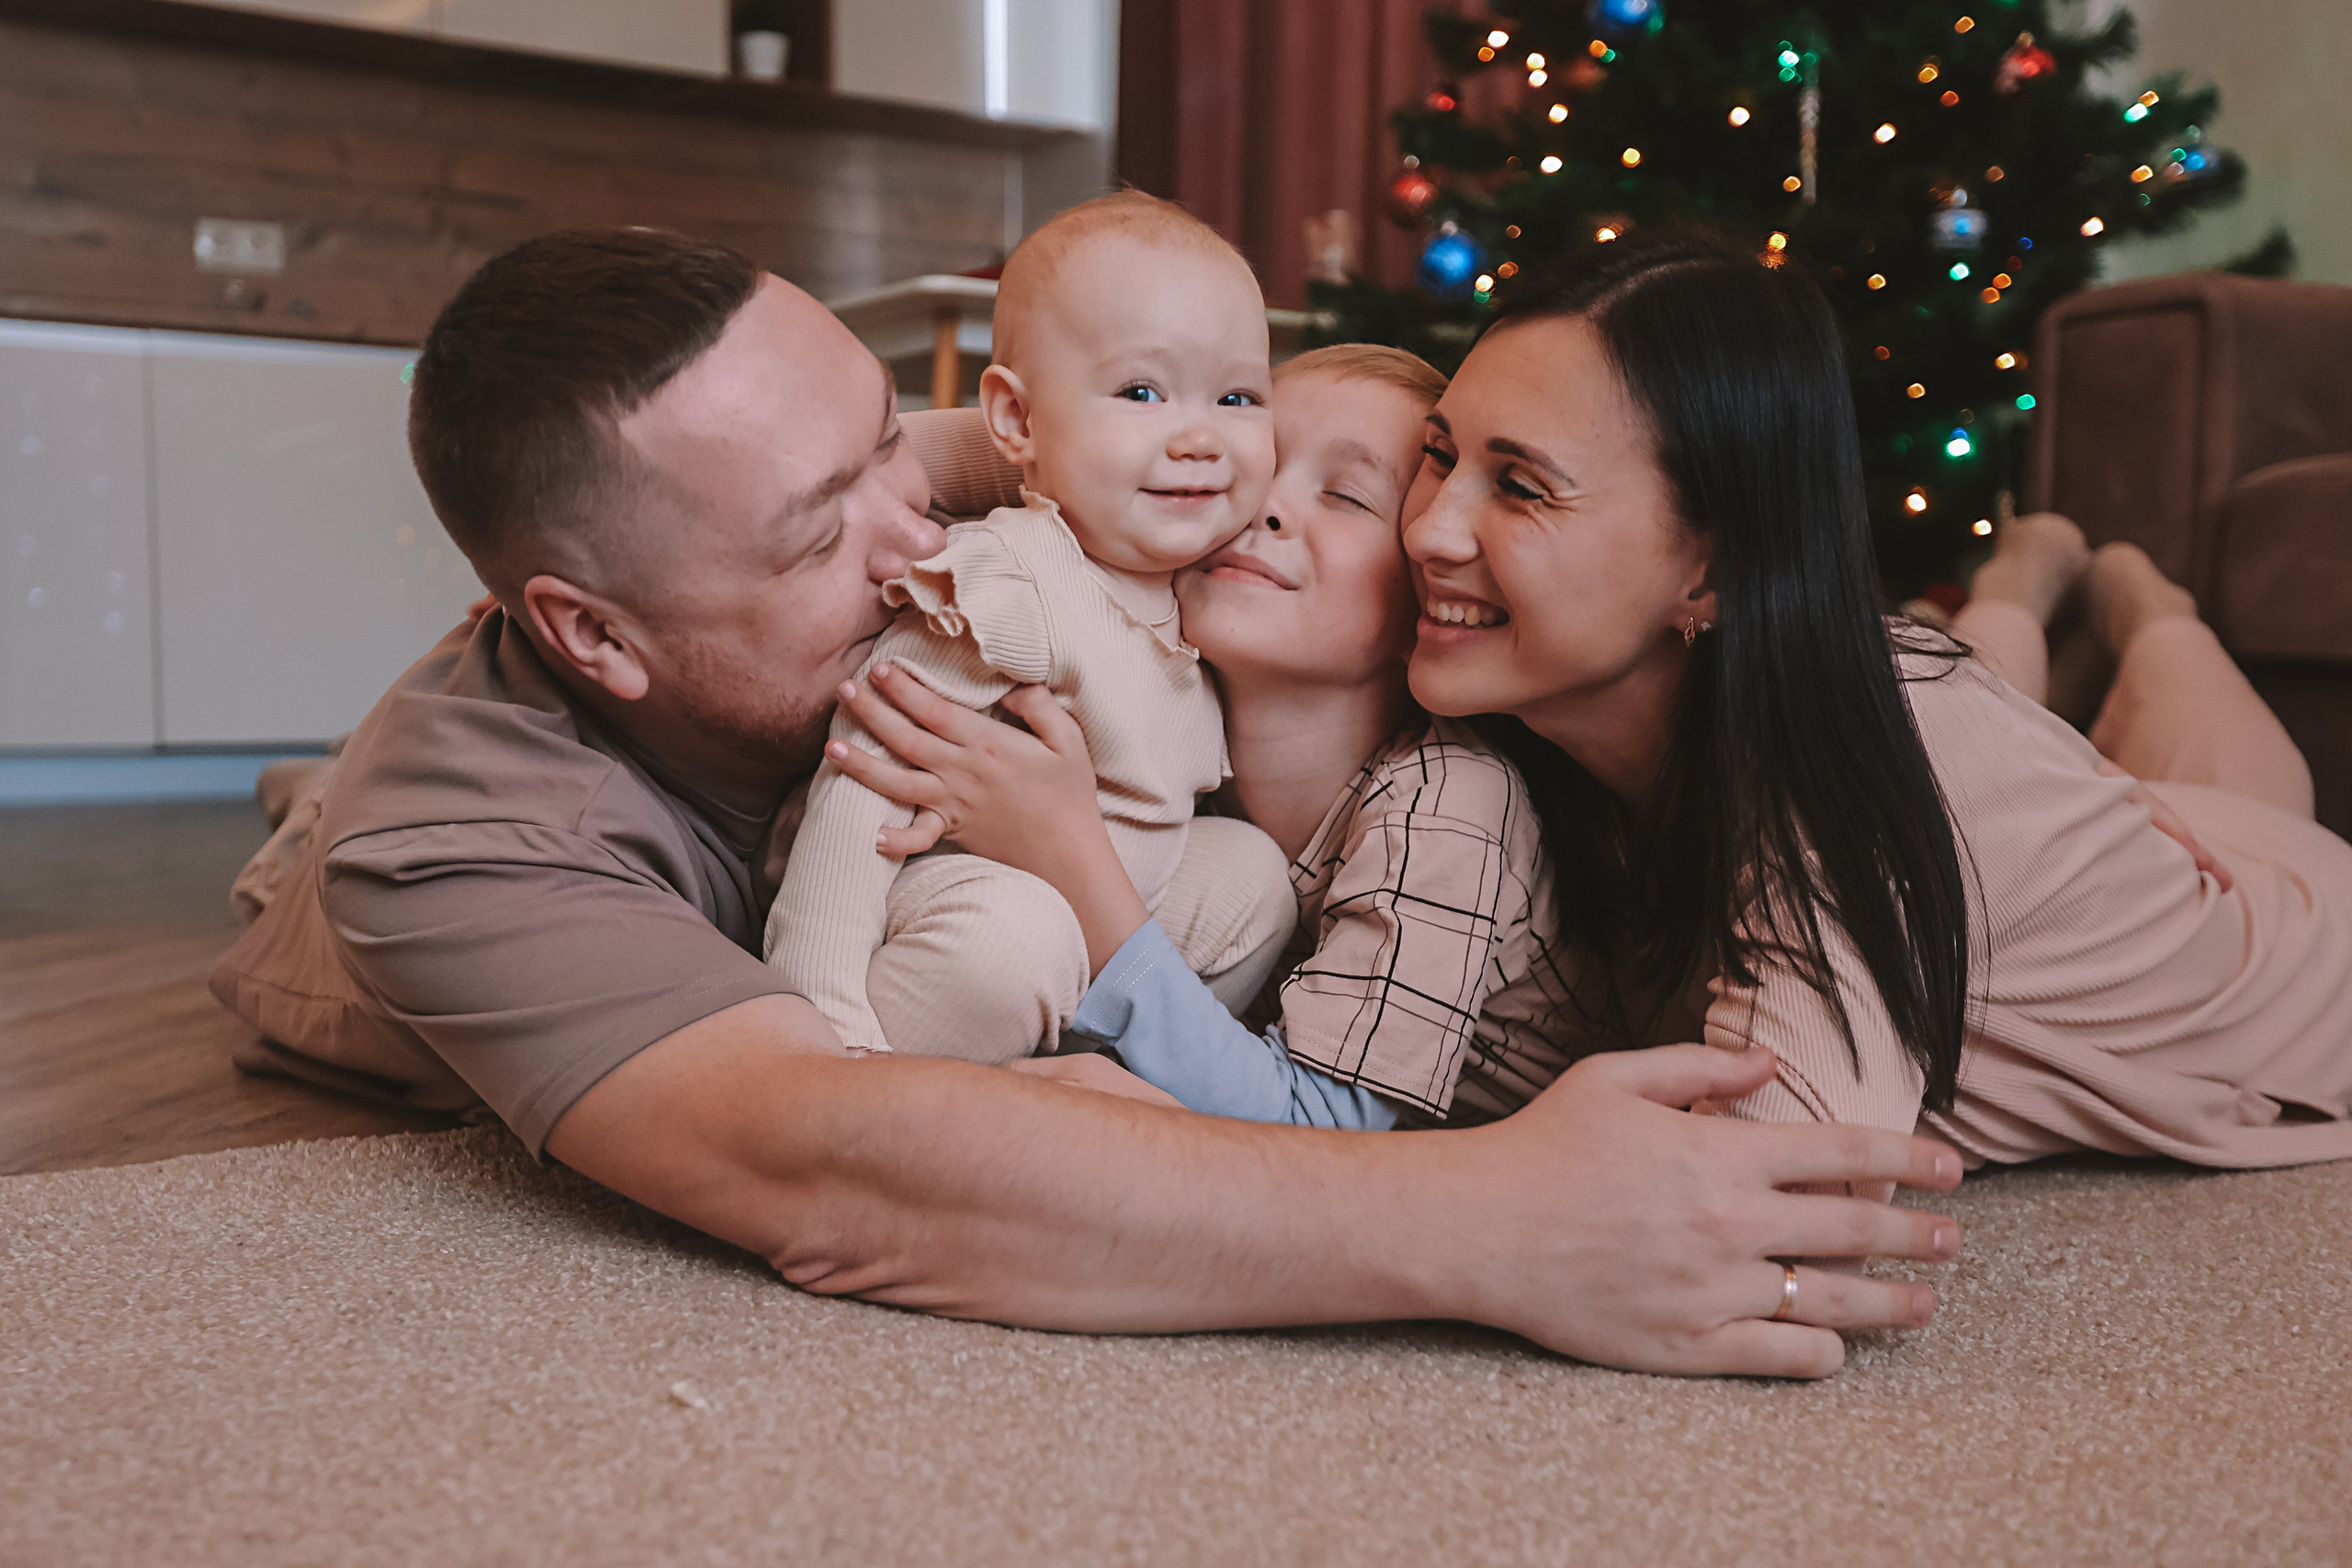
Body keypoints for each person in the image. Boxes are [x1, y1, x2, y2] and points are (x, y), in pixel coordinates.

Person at [210, 225, 1967, 1381]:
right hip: (387, 898)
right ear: (596, 634)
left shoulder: (950, 510)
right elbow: (834, 1160)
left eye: (897, 444)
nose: (928, 530)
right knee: (332, 841)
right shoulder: (461, 842)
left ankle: (2042, 601)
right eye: (825, 528)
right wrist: (1500, 1218)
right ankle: (292, 793)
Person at [1390, 236, 2352, 1168]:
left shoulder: (1838, 798)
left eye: (1521, 486)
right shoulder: (1561, 717)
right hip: (2000, 782)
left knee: (2217, 745)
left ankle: (2145, 604)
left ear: (1713, 570)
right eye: (1437, 453)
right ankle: (2021, 586)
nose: (1429, 529)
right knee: (1968, 698)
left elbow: (1772, 1194)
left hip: (2298, 944)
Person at [831, 344, 1581, 1129]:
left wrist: (1068, 850)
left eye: (1347, 495)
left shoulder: (1451, 807)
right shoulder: (1162, 686)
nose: (1261, 506)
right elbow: (1050, 457)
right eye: (1245, 467)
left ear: (1429, 596)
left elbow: (1323, 1134)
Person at [765, 191, 1295, 1063]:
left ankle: (1100, 1080)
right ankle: (899, 1091)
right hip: (958, 898)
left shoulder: (1212, 576)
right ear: (1016, 419)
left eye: (1238, 396)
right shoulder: (1011, 577)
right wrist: (820, 1022)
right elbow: (861, 787)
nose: (1202, 437)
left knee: (1253, 877)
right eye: (1142, 391)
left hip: (1115, 902)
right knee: (1017, 936)